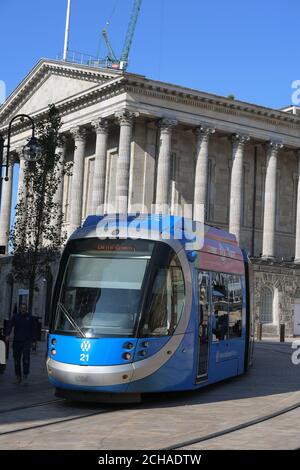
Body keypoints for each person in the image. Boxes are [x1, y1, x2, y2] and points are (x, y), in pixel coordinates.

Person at [5, 304, 37, 385]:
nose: (23, 309)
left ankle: (25, 376)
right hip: (17, 342)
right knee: (16, 360)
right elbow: (10, 325)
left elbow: (34, 330)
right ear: (19, 309)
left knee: (26, 359)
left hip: (26, 341)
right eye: (22, 308)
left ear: (26, 309)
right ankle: (18, 377)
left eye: (24, 308)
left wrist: (34, 341)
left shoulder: (30, 318)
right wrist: (8, 334)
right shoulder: (15, 317)